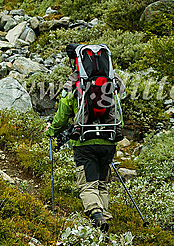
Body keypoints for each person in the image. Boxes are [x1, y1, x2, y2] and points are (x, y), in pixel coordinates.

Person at [46, 43, 124, 232]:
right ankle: (104, 221)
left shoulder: (74, 84)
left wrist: (51, 131)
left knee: (88, 185)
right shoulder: (112, 82)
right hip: (109, 139)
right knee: (102, 184)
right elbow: (119, 104)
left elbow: (63, 114)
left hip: (84, 142)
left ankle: (97, 216)